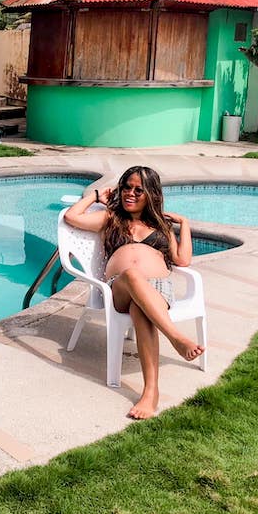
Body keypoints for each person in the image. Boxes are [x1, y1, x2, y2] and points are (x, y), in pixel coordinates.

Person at [63, 165, 205, 419]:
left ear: (151, 194)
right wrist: (95, 197)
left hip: (157, 290)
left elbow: (182, 260)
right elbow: (71, 218)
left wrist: (183, 223)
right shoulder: (111, 217)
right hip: (120, 287)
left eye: (138, 190)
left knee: (141, 310)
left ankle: (151, 393)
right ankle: (175, 337)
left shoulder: (161, 226)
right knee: (131, 274)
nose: (130, 193)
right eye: (127, 187)